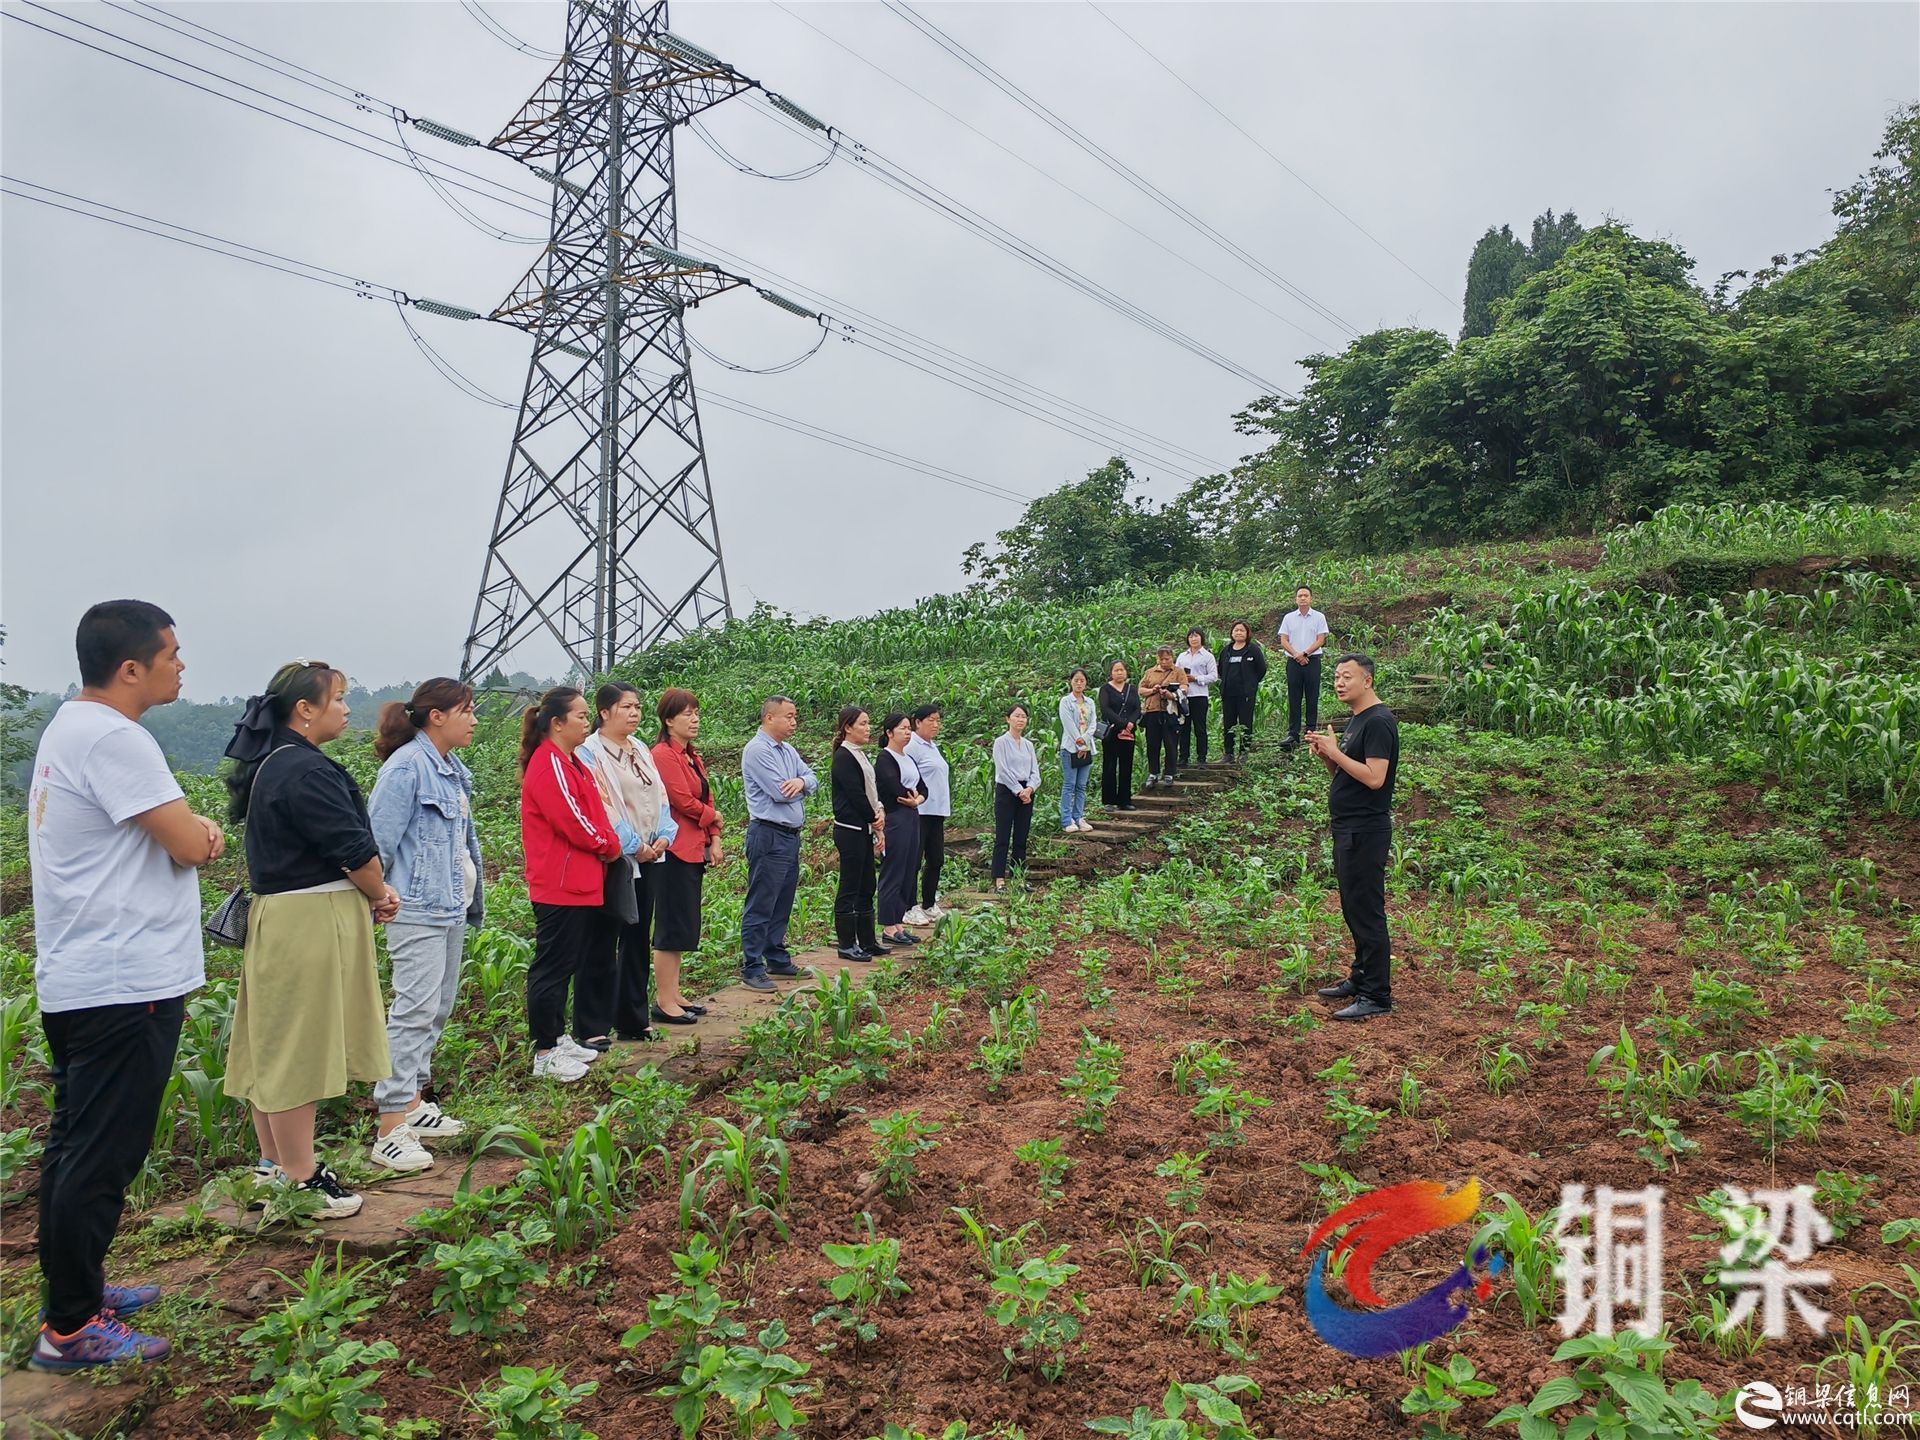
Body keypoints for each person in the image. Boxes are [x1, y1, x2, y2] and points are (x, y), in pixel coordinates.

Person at [27, 601, 224, 1372]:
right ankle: (72, 1329)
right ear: (131, 668)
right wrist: (201, 833)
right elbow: (186, 841)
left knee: (77, 1147)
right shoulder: (116, 736)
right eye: (171, 653)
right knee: (101, 1155)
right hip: (121, 980)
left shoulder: (69, 727)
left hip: (84, 976)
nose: (182, 665)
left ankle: (76, 1295)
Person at [222, 660, 398, 1220]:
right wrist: (379, 892)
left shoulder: (273, 762)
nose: (347, 709)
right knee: (298, 1047)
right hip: (309, 919)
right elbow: (351, 849)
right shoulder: (302, 770)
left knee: (272, 1042)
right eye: (339, 699)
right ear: (305, 709)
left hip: (284, 916)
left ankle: (275, 1165)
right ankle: (300, 1176)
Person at [365, 678, 483, 1174]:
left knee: (438, 1005)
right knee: (413, 1009)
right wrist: (377, 898)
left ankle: (413, 1102)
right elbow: (377, 842)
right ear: (437, 716)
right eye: (467, 710)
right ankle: (390, 1126)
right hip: (415, 908)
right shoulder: (407, 768)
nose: (475, 719)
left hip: (450, 906)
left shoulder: (452, 769)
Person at [519, 687, 631, 1080]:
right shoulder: (548, 763)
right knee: (552, 966)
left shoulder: (572, 762)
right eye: (581, 716)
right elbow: (572, 820)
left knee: (568, 963)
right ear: (557, 723)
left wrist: (609, 840)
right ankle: (545, 1049)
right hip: (559, 882)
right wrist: (607, 845)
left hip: (582, 881)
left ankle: (559, 1037)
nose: (588, 722)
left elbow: (595, 809)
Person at [579, 682, 676, 1039]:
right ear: (603, 713)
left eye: (637, 707)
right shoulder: (591, 753)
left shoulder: (639, 748)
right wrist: (634, 845)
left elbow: (660, 797)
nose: (634, 713)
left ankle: (633, 1020)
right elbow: (602, 806)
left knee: (637, 940)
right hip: (616, 860)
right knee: (604, 940)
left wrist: (665, 835)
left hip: (651, 857)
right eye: (626, 707)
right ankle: (593, 1026)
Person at [1309, 655, 1400, 1021]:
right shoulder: (1357, 720)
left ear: (1368, 681)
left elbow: (1376, 778)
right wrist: (1328, 757)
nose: (1339, 682)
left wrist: (1335, 752)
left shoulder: (1379, 720)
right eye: (1335, 676)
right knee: (1352, 907)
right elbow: (1350, 774)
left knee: (1367, 912)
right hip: (1348, 826)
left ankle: (1377, 995)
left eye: (1347, 676)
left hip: (1366, 829)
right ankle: (1360, 978)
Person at [739, 696, 819, 993]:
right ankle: (752, 966)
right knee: (762, 901)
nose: (794, 721)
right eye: (789, 716)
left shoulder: (788, 751)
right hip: (769, 833)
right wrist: (800, 785)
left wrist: (801, 782)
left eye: (795, 716)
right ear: (769, 718)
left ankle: (776, 956)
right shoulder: (757, 750)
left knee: (782, 899)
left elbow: (812, 779)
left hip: (790, 834)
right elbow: (779, 792)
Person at [653, 688, 724, 1015]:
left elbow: (705, 798)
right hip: (674, 851)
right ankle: (664, 1000)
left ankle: (675, 994)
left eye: (696, 712)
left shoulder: (691, 756)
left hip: (693, 848)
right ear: (669, 720)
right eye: (686, 714)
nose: (694, 719)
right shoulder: (664, 755)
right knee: (671, 923)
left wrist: (714, 836)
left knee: (684, 923)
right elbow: (681, 800)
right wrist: (713, 818)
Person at [829, 706, 887, 961]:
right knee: (850, 886)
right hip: (850, 829)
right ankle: (846, 943)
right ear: (847, 728)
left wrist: (879, 812)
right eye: (862, 724)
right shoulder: (843, 756)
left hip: (864, 828)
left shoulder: (860, 755)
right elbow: (855, 794)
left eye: (868, 723)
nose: (868, 728)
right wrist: (874, 819)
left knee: (867, 884)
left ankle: (867, 940)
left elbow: (871, 791)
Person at [873, 712, 925, 948]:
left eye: (909, 728)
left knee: (909, 867)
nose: (907, 732)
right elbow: (895, 787)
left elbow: (923, 787)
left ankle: (899, 921)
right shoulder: (885, 758)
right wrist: (912, 798)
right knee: (893, 869)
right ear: (889, 732)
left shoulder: (909, 758)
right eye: (902, 728)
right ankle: (888, 925)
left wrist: (918, 800)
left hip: (913, 815)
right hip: (895, 817)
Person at [903, 704, 950, 925]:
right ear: (917, 722)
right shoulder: (912, 745)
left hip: (937, 811)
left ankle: (929, 903)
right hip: (919, 811)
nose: (935, 724)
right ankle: (908, 906)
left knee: (936, 859)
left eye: (938, 720)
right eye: (931, 719)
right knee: (913, 860)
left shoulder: (932, 746)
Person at [990, 703, 1042, 891]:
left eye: (1023, 717)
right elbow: (1002, 770)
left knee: (1021, 836)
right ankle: (998, 879)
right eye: (1017, 716)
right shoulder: (1000, 742)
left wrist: (1029, 789)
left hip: (1027, 791)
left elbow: (1035, 771)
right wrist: (1018, 790)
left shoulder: (1028, 745)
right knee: (1003, 836)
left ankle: (1018, 877)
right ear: (1008, 719)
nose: (1020, 720)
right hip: (1007, 791)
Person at [1278, 586, 1331, 749]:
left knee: (1312, 696)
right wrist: (1296, 655)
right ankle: (1293, 734)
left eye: (1306, 595)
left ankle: (1310, 731)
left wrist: (1305, 654)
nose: (1302, 598)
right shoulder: (1288, 618)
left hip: (1312, 660)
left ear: (1311, 598)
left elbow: (1320, 640)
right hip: (1293, 661)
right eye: (1300, 595)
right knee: (1294, 698)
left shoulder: (1319, 617)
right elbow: (1284, 640)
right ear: (1295, 599)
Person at [1139, 646, 1191, 786]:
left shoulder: (1178, 672)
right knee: (1152, 744)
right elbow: (1141, 690)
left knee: (1171, 743)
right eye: (1161, 659)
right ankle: (1153, 773)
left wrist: (1172, 695)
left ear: (1172, 658)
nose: (1164, 662)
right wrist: (1153, 690)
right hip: (1152, 711)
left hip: (1170, 712)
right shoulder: (1150, 672)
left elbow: (1184, 688)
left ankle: (1169, 772)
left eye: (1167, 659)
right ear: (1157, 659)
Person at [1218, 621, 1268, 761]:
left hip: (1246, 694)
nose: (1238, 633)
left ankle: (1244, 752)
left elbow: (1261, 669)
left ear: (1247, 633)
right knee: (1229, 723)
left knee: (1246, 722)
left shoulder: (1253, 650)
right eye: (1236, 630)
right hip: (1228, 693)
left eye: (1242, 630)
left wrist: (1251, 684)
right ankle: (1228, 753)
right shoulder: (1226, 651)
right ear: (1232, 633)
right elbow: (1221, 670)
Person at [1057, 668, 1098, 833]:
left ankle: (1079, 817)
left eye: (1082, 680)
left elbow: (1093, 723)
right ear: (1071, 682)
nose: (1079, 683)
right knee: (1069, 785)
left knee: (1081, 785)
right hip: (1070, 748)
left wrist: (1085, 742)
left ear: (1086, 682)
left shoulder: (1090, 702)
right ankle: (1067, 820)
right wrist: (1080, 744)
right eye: (1076, 680)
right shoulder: (1065, 701)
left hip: (1087, 747)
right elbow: (1068, 724)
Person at [1098, 662, 1141, 811]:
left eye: (1122, 670)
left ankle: (1125, 800)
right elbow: (1105, 709)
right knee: (1110, 766)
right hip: (1112, 732)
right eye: (1116, 670)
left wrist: (1131, 723)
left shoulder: (1132, 689)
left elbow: (1137, 708)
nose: (1119, 673)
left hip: (1129, 733)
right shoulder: (1105, 689)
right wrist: (1123, 723)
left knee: (1126, 765)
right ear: (1111, 673)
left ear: (1126, 672)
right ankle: (1109, 801)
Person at [1176, 628, 1218, 769]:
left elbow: (1213, 676)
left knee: (1200, 728)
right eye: (1191, 637)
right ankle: (1183, 758)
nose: (1193, 639)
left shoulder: (1207, 656)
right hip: (1184, 696)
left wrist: (1196, 678)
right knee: (1184, 728)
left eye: (1196, 636)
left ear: (1202, 638)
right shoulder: (1182, 656)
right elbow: (1175, 674)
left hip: (1199, 695)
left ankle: (1202, 758)